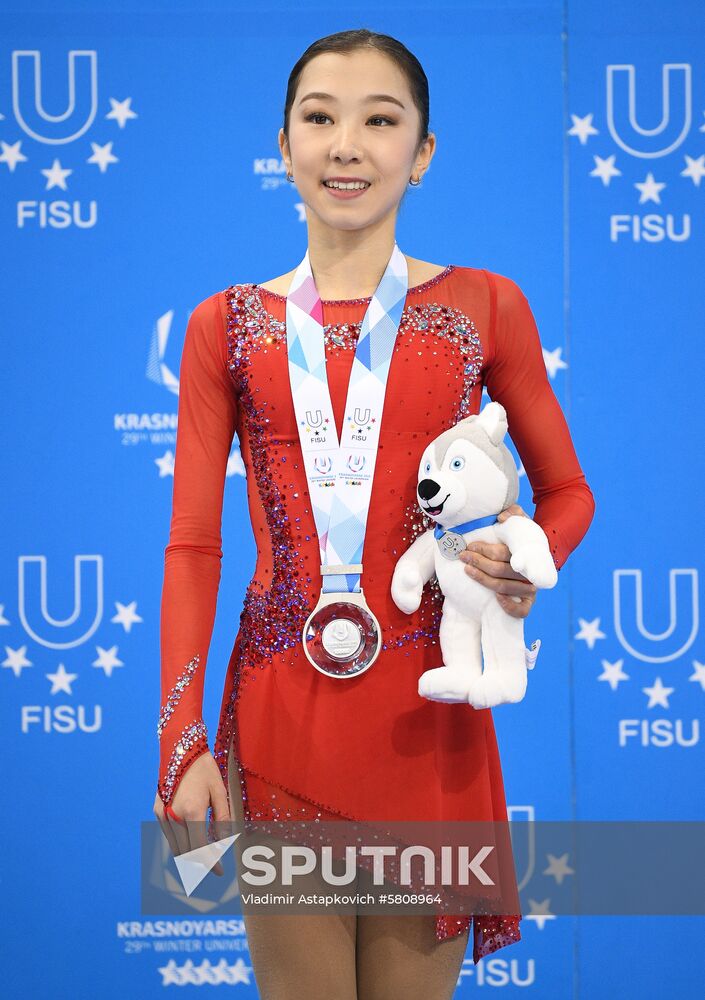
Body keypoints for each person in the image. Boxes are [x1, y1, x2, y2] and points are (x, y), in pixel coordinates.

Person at [153, 27, 595, 1000]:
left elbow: (569, 493)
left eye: (379, 120)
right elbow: (192, 546)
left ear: (422, 152)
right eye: (321, 118)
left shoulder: (487, 306)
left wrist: (530, 555)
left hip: (428, 728)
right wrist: (181, 739)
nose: (346, 144)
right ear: (284, 143)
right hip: (277, 725)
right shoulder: (222, 327)